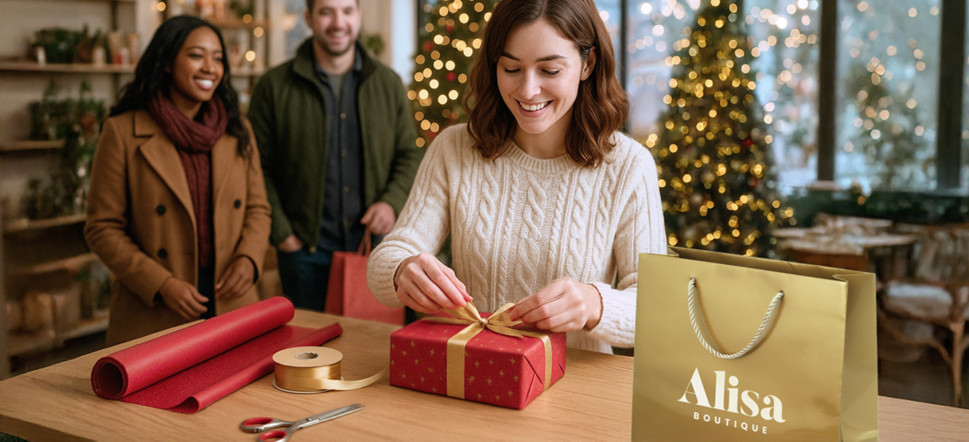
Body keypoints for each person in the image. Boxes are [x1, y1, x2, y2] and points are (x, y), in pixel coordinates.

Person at [367, 0, 668, 354]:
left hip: (577, 392)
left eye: (550, 71)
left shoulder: (629, 166)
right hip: (471, 376)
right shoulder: (454, 148)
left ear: (587, 64)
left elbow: (657, 311)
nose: (527, 91)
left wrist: (593, 303)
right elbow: (385, 261)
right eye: (511, 68)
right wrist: (403, 268)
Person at [85, 16, 271, 345]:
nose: (210, 68)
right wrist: (161, 284)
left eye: (218, 59)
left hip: (231, 297)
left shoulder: (237, 129)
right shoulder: (122, 131)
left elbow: (257, 207)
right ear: (167, 62)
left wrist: (249, 259)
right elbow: (102, 227)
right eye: (197, 55)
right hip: (155, 306)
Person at [248, 0, 423, 311]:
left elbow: (408, 154)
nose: (337, 22)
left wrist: (390, 202)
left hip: (372, 251)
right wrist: (284, 234)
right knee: (305, 350)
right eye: (326, 11)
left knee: (372, 350)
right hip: (304, 252)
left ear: (357, 16)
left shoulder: (388, 83)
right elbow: (257, 168)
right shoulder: (273, 87)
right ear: (309, 18)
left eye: (346, 11)